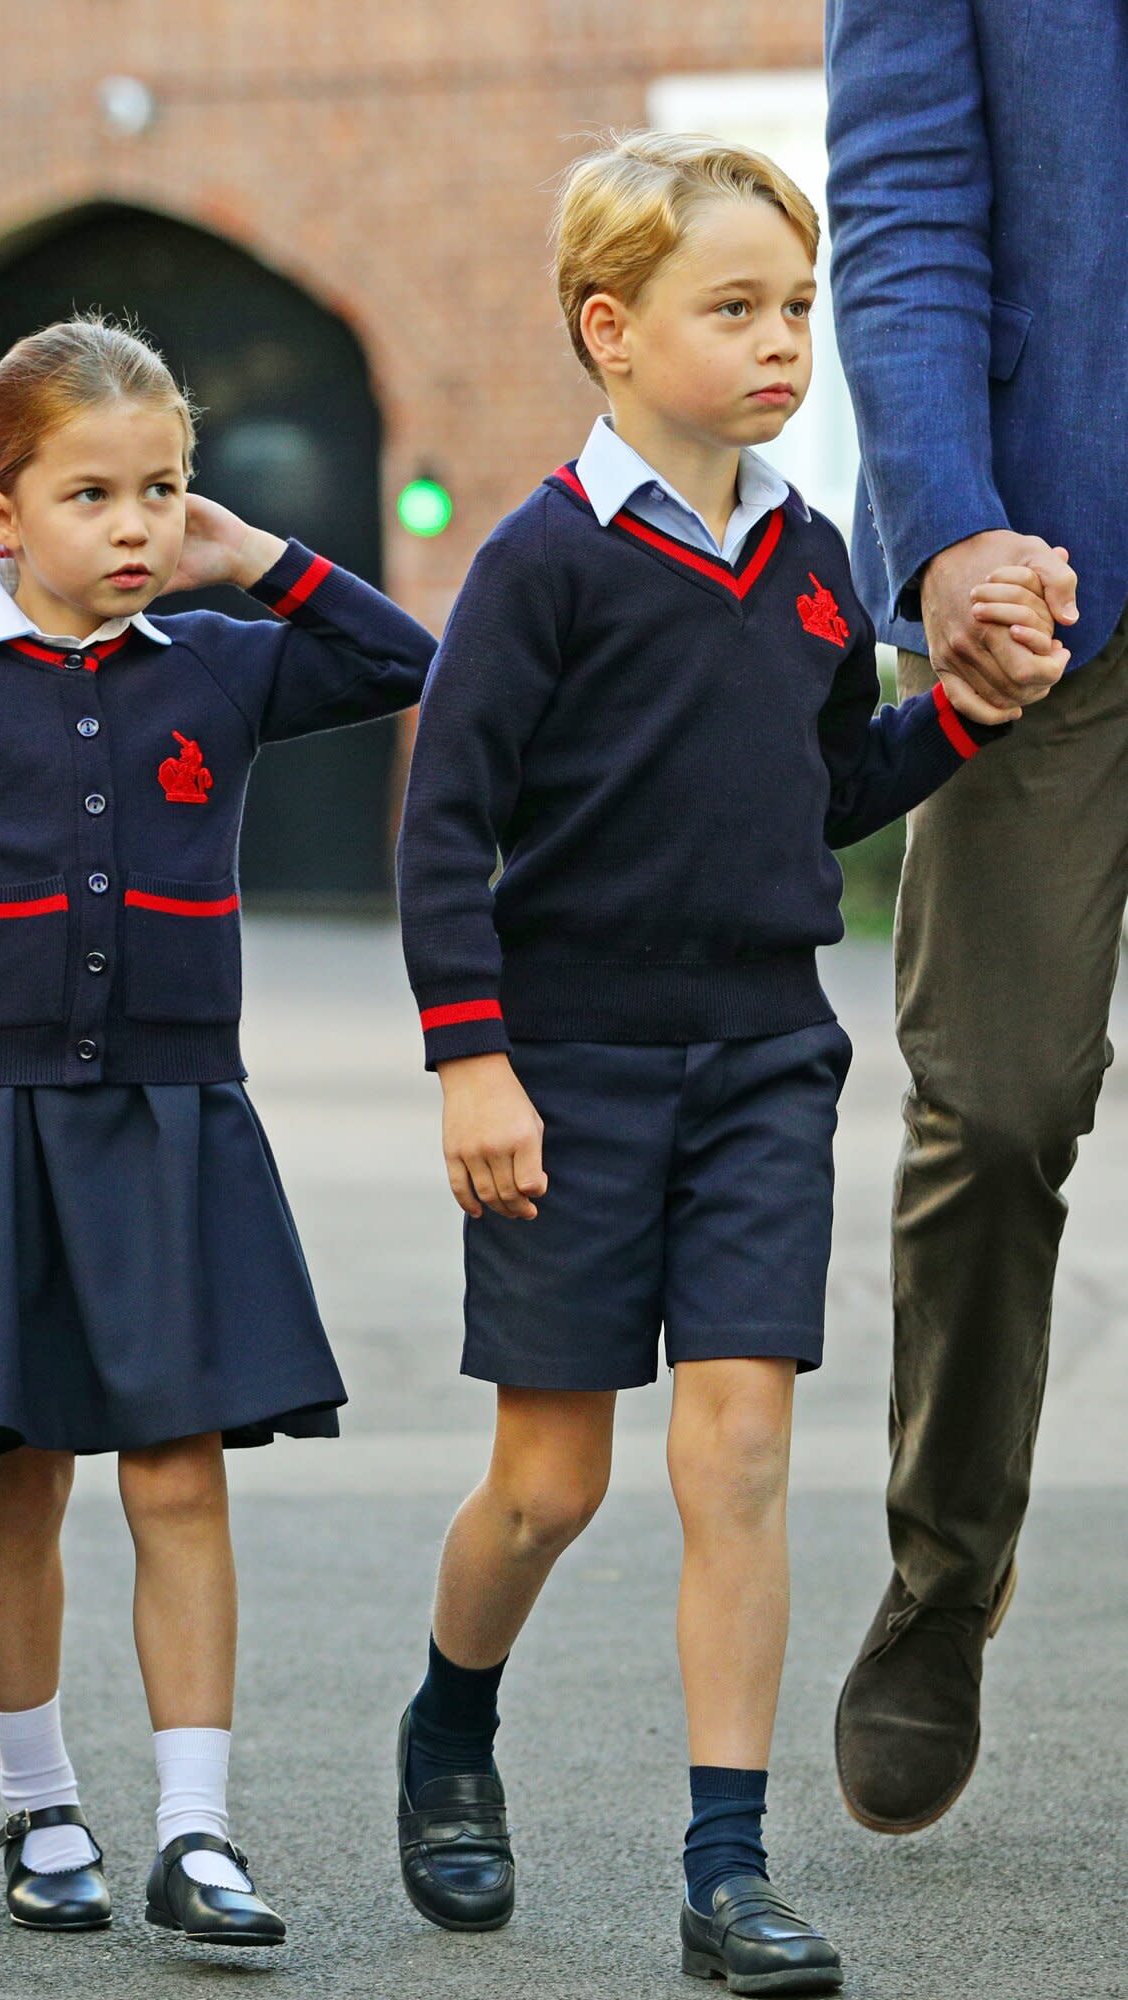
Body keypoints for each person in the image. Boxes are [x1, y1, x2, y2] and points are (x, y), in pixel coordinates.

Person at [392, 132, 1063, 1996]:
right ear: (610, 330)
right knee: (547, 1486)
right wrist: (470, 1065)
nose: (784, 343)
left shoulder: (815, 554)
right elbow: (443, 837)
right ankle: (449, 1729)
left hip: (766, 1057)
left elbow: (826, 789)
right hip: (567, 1073)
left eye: (797, 307)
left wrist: (958, 722)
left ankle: (725, 1869)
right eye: (736, 309)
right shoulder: (537, 565)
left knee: (744, 1452)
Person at [0, 315, 433, 1949]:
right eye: (91, 493)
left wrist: (256, 556)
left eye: (161, 490)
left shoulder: (226, 665)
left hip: (180, 1121)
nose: (132, 525)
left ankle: (195, 1832)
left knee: (178, 1476)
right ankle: (40, 1809)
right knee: (17, 1475)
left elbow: (407, 669)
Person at [825, 0, 1124, 1837]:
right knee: (996, 1103)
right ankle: (944, 1579)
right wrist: (943, 526)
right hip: (1051, 563)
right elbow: (912, 192)